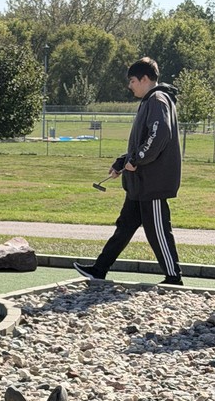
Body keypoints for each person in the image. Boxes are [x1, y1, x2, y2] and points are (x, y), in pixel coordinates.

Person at [73, 57, 183, 286]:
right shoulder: (149, 101)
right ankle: (99, 269)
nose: (130, 85)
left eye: (132, 80)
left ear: (144, 79)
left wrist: (139, 159)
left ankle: (174, 278)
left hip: (152, 182)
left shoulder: (158, 99)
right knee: (125, 226)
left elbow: (159, 135)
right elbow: (144, 141)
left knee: (158, 231)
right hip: (140, 182)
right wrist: (123, 162)